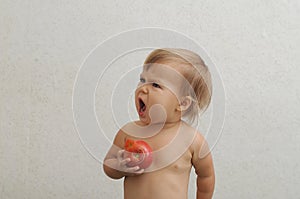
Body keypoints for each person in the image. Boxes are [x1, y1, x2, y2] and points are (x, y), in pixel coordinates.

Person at [103, 48, 215, 199]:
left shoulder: (192, 140)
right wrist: (119, 167)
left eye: (155, 85)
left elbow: (206, 176)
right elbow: (108, 165)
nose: (143, 88)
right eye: (142, 80)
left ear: (182, 103)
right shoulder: (129, 132)